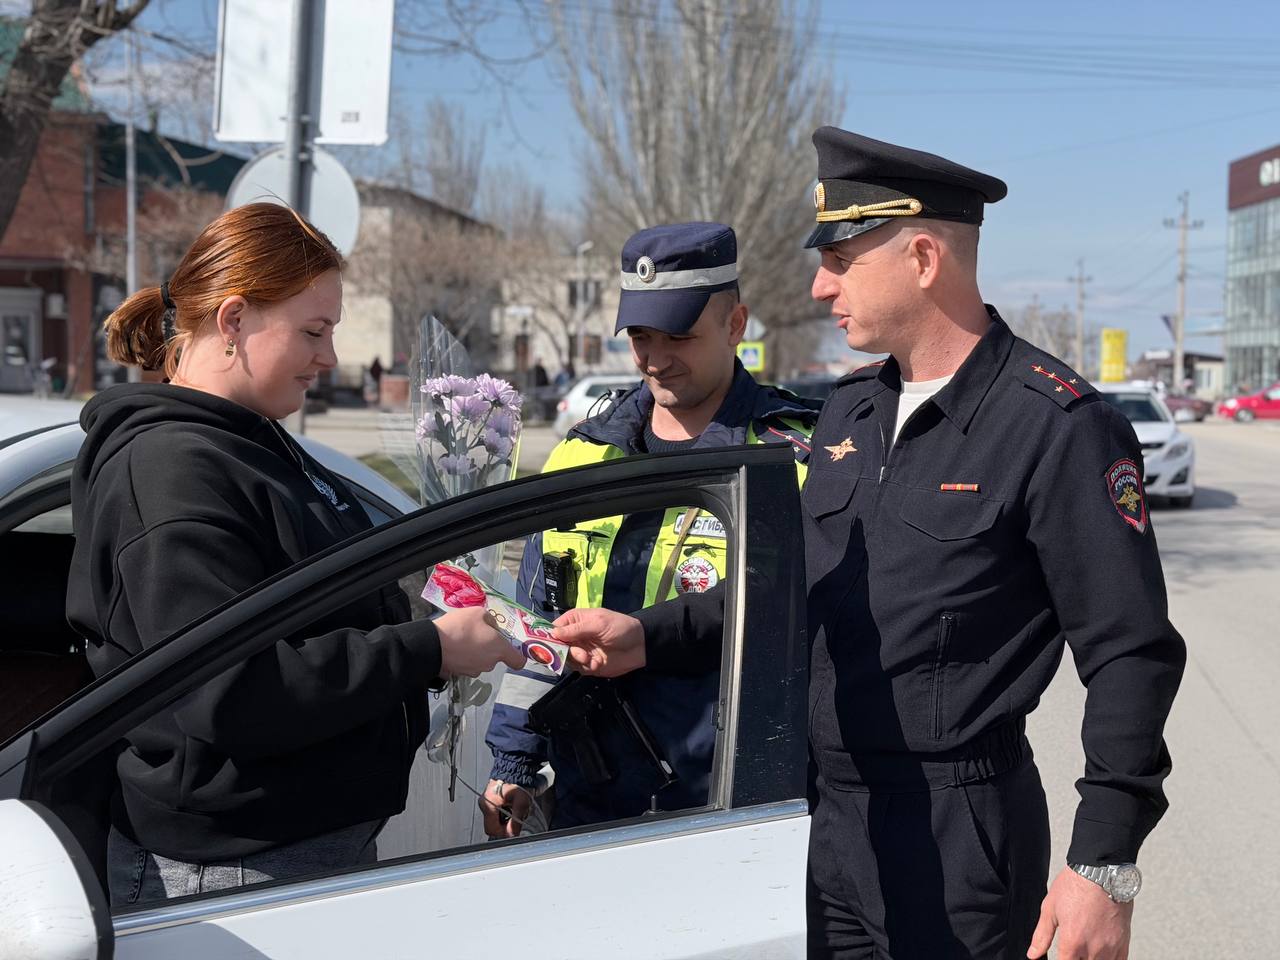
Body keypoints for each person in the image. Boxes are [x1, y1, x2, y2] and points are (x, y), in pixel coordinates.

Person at [552, 129, 1186, 960]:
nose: (820, 286)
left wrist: (1104, 864)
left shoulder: (1056, 426)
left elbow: (1131, 653)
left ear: (923, 257)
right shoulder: (852, 412)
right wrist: (649, 634)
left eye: (841, 259)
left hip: (955, 833)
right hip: (824, 819)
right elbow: (798, 582)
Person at [67, 202, 524, 906]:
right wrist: (425, 650)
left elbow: (313, 601)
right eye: (313, 331)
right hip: (233, 870)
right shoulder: (171, 470)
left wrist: (435, 602)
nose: (330, 357)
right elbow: (230, 692)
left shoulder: (251, 443)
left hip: (292, 848)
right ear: (233, 320)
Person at [480, 222, 820, 837]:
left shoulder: (788, 457)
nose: (656, 359)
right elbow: (536, 623)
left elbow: (801, 613)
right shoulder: (583, 455)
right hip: (592, 804)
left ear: (736, 325)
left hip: (734, 807)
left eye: (680, 336)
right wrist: (514, 761)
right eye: (640, 335)